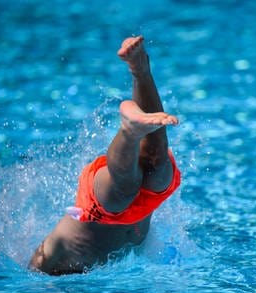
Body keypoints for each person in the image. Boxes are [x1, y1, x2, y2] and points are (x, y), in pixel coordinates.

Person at [29, 36, 181, 275]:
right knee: (157, 162)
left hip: (96, 204)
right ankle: (140, 70)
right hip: (142, 207)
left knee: (121, 194)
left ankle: (130, 131)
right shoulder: (57, 259)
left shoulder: (49, 264)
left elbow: (34, 268)